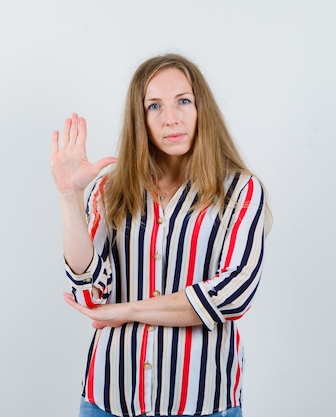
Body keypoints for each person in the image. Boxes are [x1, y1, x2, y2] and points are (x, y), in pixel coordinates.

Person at [49, 53, 269, 417]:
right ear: (140, 119)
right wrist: (69, 197)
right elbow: (88, 293)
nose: (171, 119)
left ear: (202, 109)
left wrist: (129, 309)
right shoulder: (109, 190)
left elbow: (231, 296)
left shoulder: (240, 191)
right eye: (154, 106)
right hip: (109, 401)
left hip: (204, 403)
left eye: (183, 101)